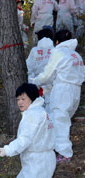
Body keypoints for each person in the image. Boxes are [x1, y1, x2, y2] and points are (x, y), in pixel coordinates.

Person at [29, 29, 84, 162]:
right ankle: (57, 147)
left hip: (63, 90)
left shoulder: (58, 52)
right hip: (76, 90)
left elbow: (47, 74)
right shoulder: (76, 55)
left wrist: (34, 82)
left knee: (60, 121)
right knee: (63, 119)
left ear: (57, 42)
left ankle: (64, 153)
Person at [26, 26, 54, 110]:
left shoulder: (34, 50)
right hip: (53, 85)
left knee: (38, 108)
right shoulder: (55, 50)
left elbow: (28, 68)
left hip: (38, 84)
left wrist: (32, 82)